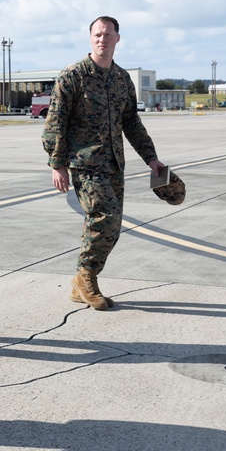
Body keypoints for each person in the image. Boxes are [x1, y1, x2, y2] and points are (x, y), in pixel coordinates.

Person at [42, 16, 164, 310]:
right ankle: (86, 278)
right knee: (104, 216)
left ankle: (82, 281)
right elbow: (55, 122)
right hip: (84, 163)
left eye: (108, 35)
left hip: (113, 164)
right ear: (90, 38)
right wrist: (57, 163)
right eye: (97, 34)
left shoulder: (122, 79)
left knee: (112, 226)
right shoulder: (73, 76)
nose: (102, 39)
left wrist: (152, 158)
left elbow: (132, 122)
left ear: (117, 39)